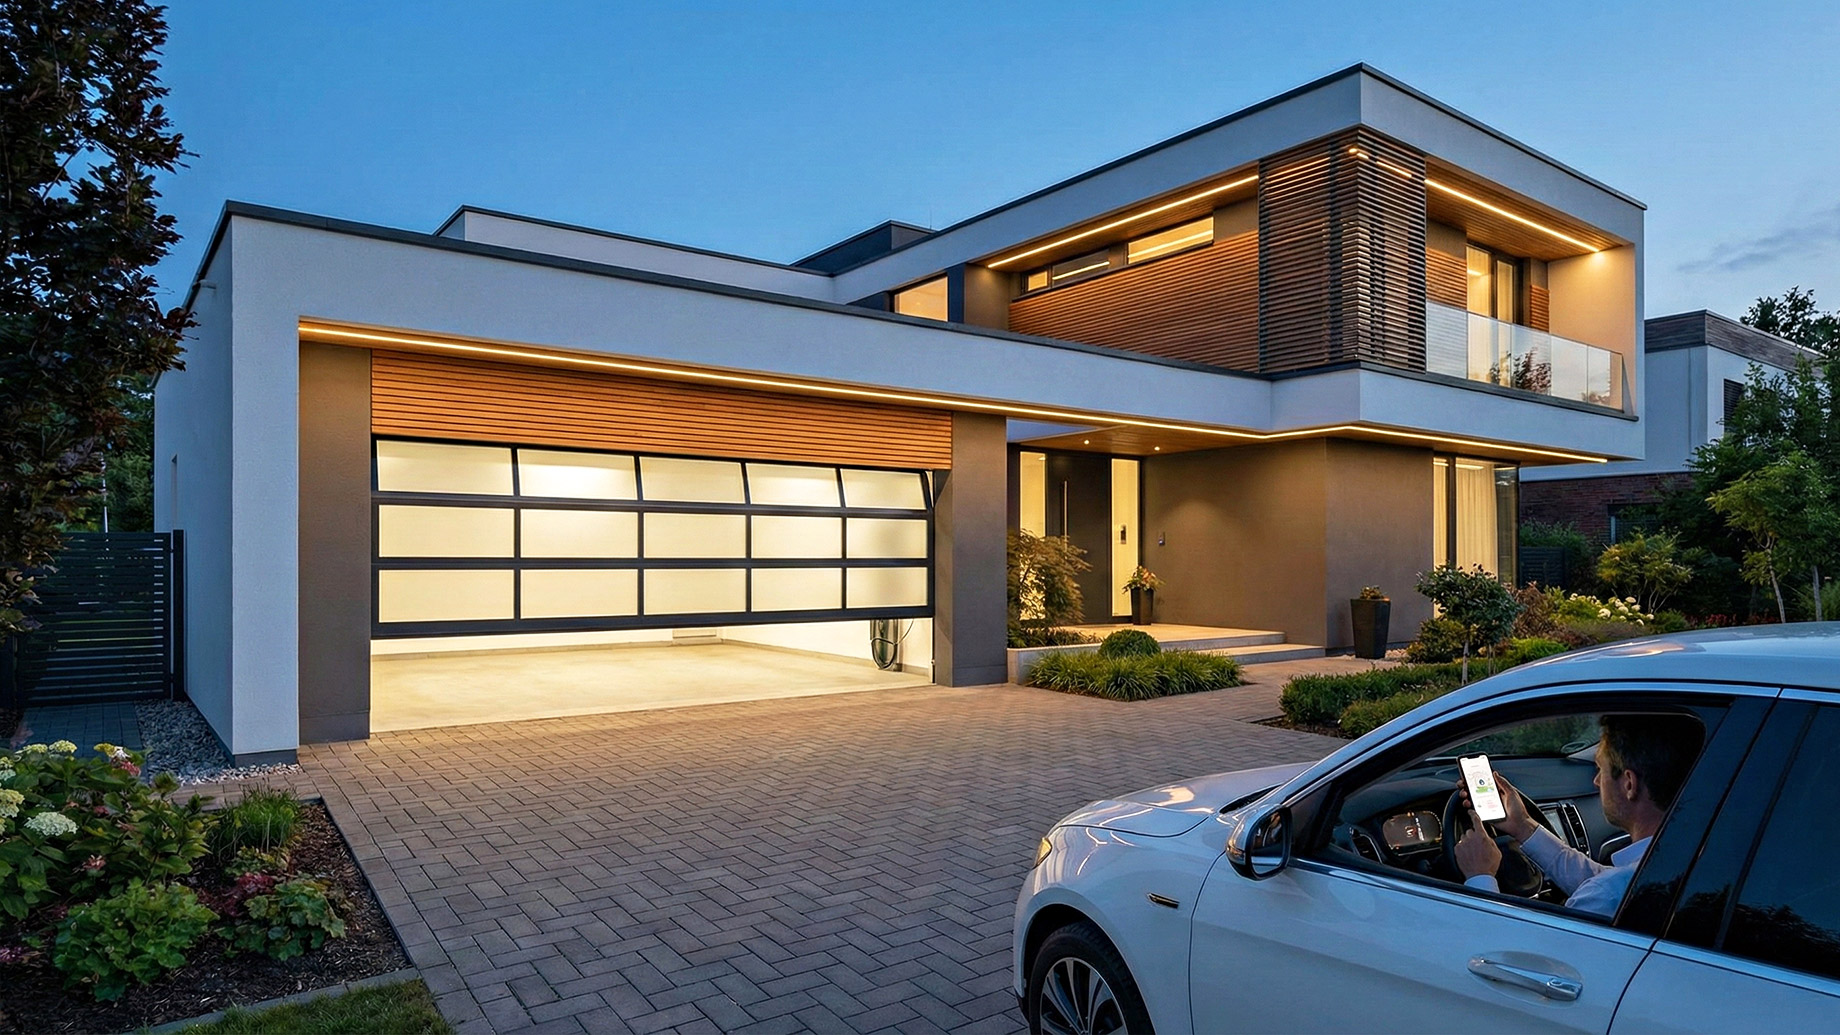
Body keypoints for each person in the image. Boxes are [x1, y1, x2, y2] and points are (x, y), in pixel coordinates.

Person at [1454, 714, 1702, 918]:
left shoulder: (1606, 896)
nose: (1595, 781)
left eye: (1600, 770)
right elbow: (1601, 879)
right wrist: (1523, 826)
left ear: (1629, 784)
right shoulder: (1692, 857)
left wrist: (1480, 876)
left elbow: (1520, 965)